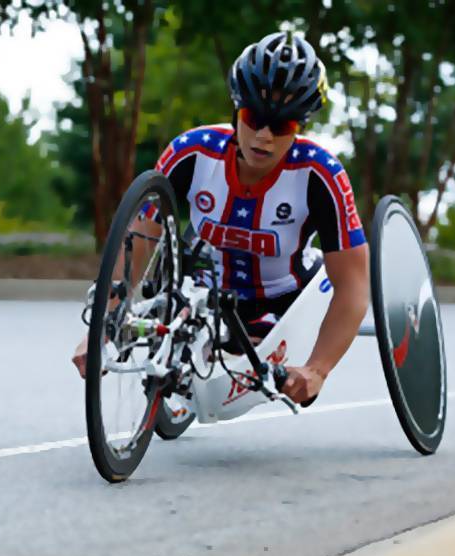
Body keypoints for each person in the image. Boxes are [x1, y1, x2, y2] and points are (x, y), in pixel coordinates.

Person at [71, 31, 369, 405]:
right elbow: (138, 241)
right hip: (204, 289)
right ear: (235, 109)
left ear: (301, 127)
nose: (263, 136)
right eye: (252, 118)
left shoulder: (321, 174)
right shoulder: (191, 152)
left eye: (281, 127)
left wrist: (317, 369)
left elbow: (354, 285)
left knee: (257, 343)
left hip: (283, 299)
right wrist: (104, 328)